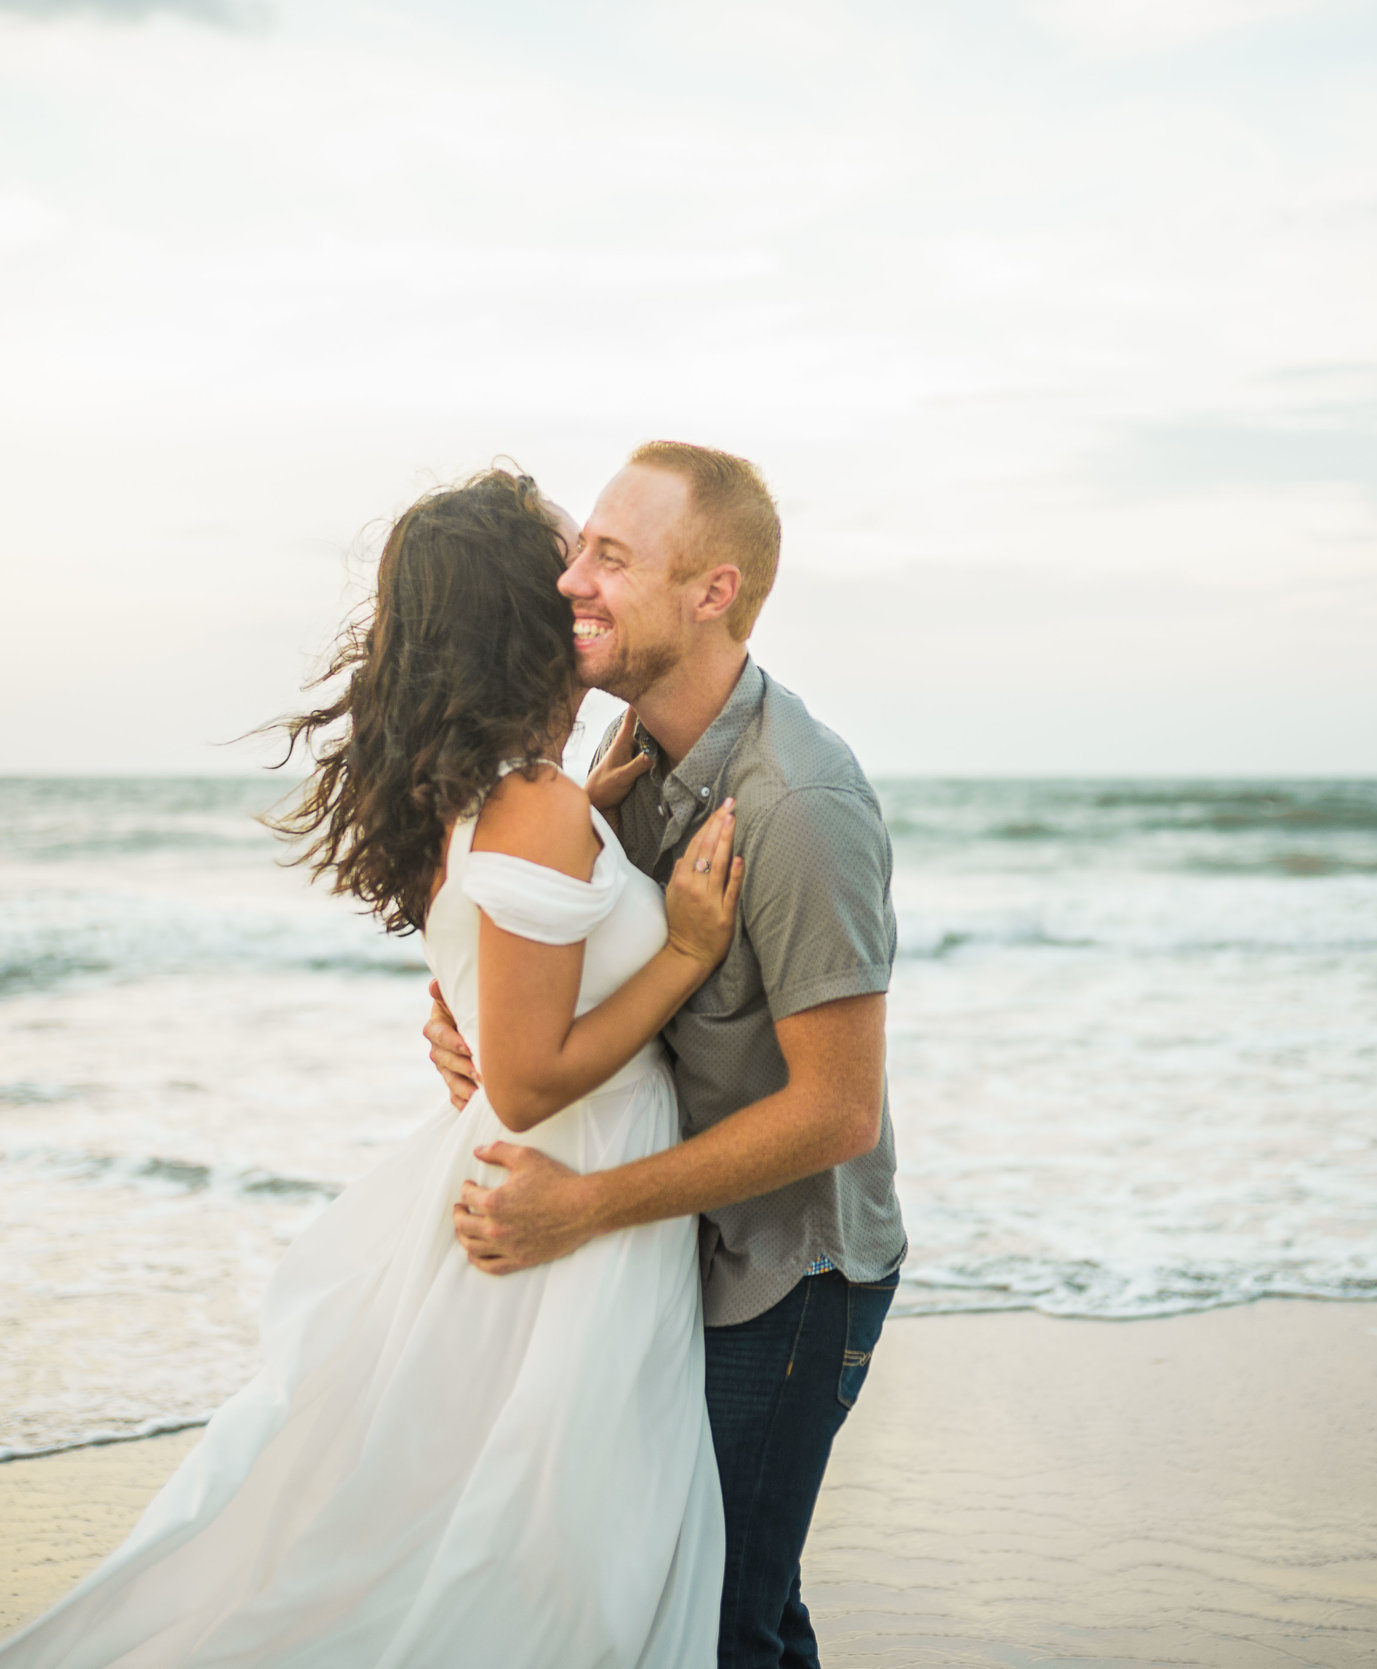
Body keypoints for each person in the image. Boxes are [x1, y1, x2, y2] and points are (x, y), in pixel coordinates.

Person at [0, 468, 744, 1669]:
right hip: (566, 1193)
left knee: (499, 1543)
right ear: (514, 617)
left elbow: (505, 1010)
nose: (580, 586)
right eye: (562, 569)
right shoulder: (528, 806)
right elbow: (530, 1079)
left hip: (551, 1185)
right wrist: (685, 947)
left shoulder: (507, 798)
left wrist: (590, 820)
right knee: (556, 1564)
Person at [427, 441, 906, 1669]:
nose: (569, 580)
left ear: (714, 592)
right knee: (670, 1595)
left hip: (786, 1276)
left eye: (610, 558)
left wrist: (583, 1205)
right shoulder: (626, 757)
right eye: (579, 545)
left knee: (727, 1621)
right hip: (672, 1250)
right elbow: (593, 979)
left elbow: (838, 1114)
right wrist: (479, 1031)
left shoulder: (801, 805)